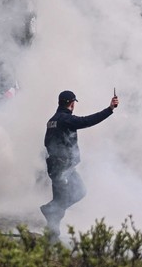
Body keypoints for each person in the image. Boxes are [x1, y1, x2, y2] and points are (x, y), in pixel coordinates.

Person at [40, 90, 119, 234]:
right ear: (71, 103)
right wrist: (109, 110)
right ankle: (50, 213)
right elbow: (86, 121)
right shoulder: (64, 119)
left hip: (57, 166)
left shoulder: (52, 120)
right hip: (62, 167)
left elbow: (46, 143)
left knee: (60, 200)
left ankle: (52, 232)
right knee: (78, 192)